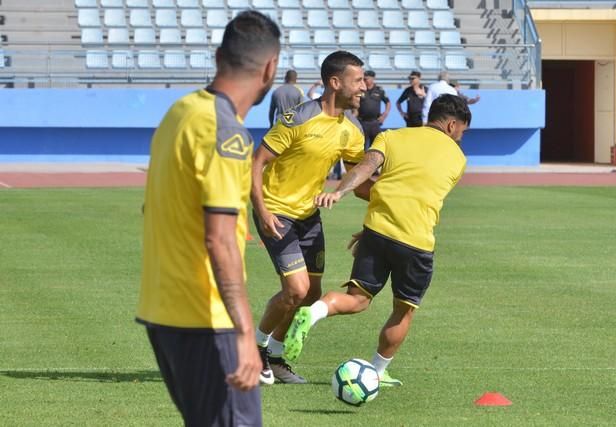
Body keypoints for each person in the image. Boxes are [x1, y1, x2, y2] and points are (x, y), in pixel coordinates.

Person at [136, 11, 280, 426]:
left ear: (218, 57)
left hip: (164, 311)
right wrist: (243, 333)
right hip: (208, 319)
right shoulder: (226, 133)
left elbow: (154, 208)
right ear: (270, 68)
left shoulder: (179, 113)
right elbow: (218, 240)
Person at [282, 94, 471, 387]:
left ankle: (313, 311)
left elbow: (365, 167)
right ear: (451, 125)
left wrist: (339, 192)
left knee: (357, 300)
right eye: (461, 131)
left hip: (376, 231)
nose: (460, 137)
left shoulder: (391, 136)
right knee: (403, 309)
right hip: (415, 241)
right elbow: (420, 192)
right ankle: (378, 370)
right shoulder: (458, 159)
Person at [251, 50, 373, 385]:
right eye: (358, 80)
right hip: (276, 210)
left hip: (308, 216)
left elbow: (359, 184)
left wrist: (398, 198)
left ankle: (274, 358)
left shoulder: (352, 130)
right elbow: (256, 162)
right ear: (335, 83)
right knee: (296, 289)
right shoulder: (299, 118)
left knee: (310, 294)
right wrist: (261, 211)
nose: (364, 87)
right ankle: (255, 350)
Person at [358, 70, 391, 149]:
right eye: (363, 79)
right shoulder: (361, 90)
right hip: (363, 122)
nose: (364, 81)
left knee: (375, 146)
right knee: (362, 146)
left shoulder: (379, 90)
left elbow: (388, 103)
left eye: (366, 79)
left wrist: (384, 115)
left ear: (373, 79)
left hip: (375, 122)